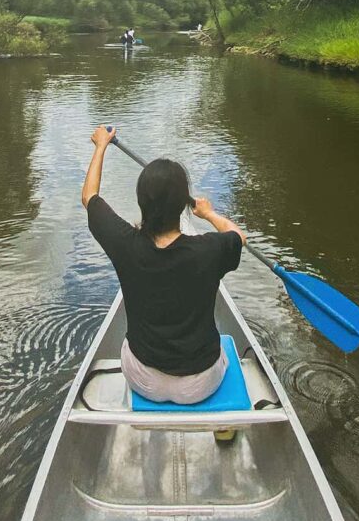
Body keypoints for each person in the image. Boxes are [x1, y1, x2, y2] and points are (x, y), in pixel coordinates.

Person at [82, 125, 246, 404]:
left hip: (143, 379)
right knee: (222, 353)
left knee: (127, 345)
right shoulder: (209, 249)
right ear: (184, 205)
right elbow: (238, 236)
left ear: (141, 202)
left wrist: (100, 147)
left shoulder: (124, 244)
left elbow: (90, 198)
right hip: (201, 383)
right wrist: (208, 214)